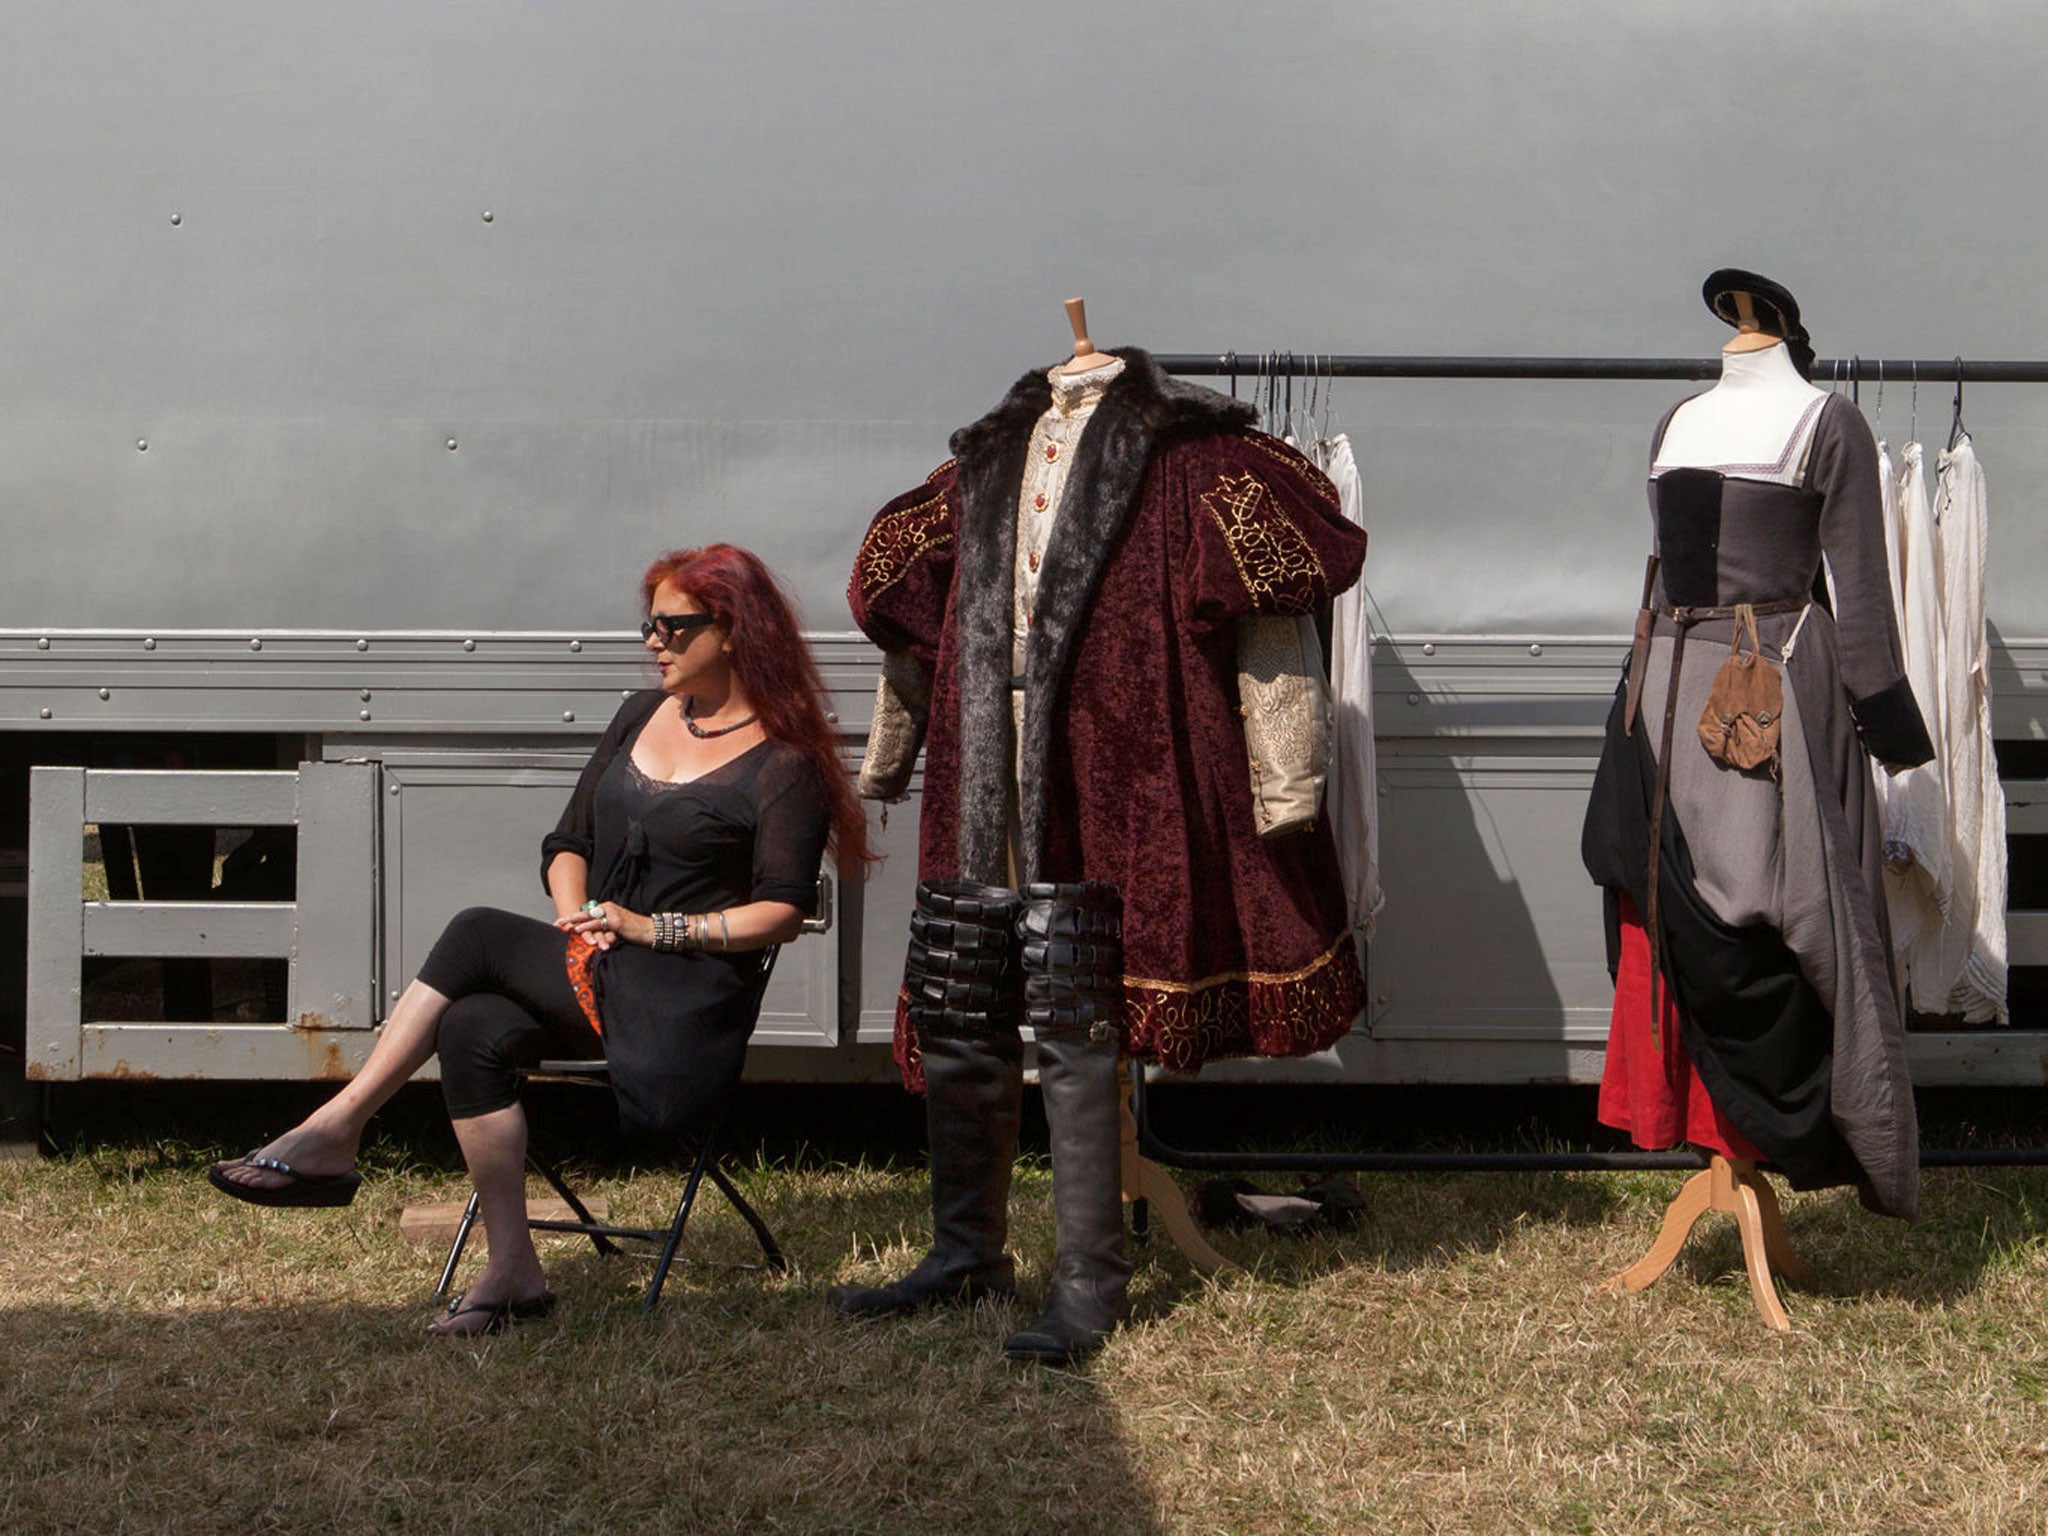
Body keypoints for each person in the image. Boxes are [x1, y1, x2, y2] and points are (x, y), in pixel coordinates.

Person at [209, 545, 868, 1335]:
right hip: (597, 970)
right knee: (472, 1024)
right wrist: (578, 922)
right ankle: (514, 1268)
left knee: (476, 931)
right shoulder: (639, 715)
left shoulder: (783, 760)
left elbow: (782, 912)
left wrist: (647, 927)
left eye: (673, 626)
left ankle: (337, 1129)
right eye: (648, 624)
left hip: (681, 1008)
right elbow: (567, 844)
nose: (653, 641)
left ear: (732, 631)